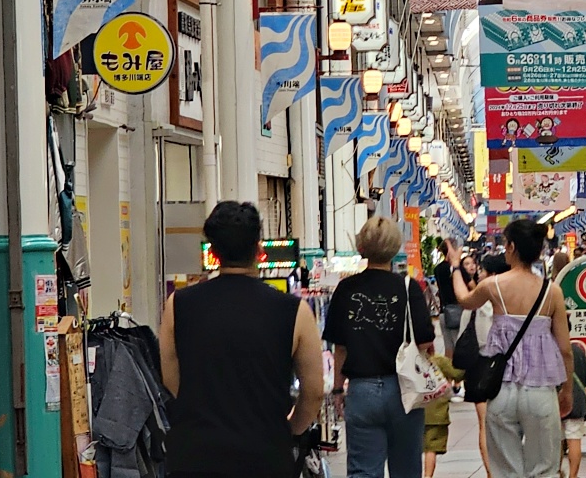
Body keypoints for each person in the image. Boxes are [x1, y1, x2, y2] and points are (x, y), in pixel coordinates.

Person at [160, 201, 326, 478]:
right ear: (259, 249)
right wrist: (291, 429)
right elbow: (314, 391)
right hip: (265, 455)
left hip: (195, 456)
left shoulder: (178, 305)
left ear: (212, 252)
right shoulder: (294, 311)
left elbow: (172, 380)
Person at [447, 219, 575, 478]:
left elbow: (463, 300)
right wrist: (567, 390)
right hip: (540, 390)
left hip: (502, 390)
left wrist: (455, 266)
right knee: (545, 469)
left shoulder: (493, 286)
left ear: (512, 247)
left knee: (505, 471)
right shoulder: (553, 293)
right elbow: (565, 350)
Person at [323, 216, 434, 478]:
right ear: (395, 248)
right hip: (404, 389)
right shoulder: (408, 288)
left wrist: (338, 390)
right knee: (406, 469)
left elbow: (341, 348)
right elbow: (426, 342)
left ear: (361, 247)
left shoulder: (346, 289)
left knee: (363, 471)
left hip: (362, 392)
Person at [462, 253, 511, 478]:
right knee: (508, 422)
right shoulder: (512, 300)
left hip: (480, 367)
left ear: (491, 274)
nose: (478, 274)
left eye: (482, 270)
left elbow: (466, 334)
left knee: (484, 424)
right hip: (506, 365)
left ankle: (492, 473)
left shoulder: (475, 302)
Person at [423, 351, 467, 478]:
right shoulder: (439, 361)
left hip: (413, 410)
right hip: (436, 413)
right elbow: (457, 374)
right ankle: (427, 476)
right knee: (431, 448)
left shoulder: (406, 360)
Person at [562, 340, 586, 478]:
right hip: (576, 402)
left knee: (555, 441)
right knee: (574, 438)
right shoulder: (576, 351)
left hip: (554, 401)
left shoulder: (547, 350)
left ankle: (556, 472)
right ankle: (573, 475)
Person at [434, 248, 475, 358]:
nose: (471, 266)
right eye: (467, 263)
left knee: (448, 347)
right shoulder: (459, 270)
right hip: (459, 312)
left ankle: (449, 373)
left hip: (444, 312)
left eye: (472, 263)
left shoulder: (438, 269)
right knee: (460, 345)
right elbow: (472, 288)